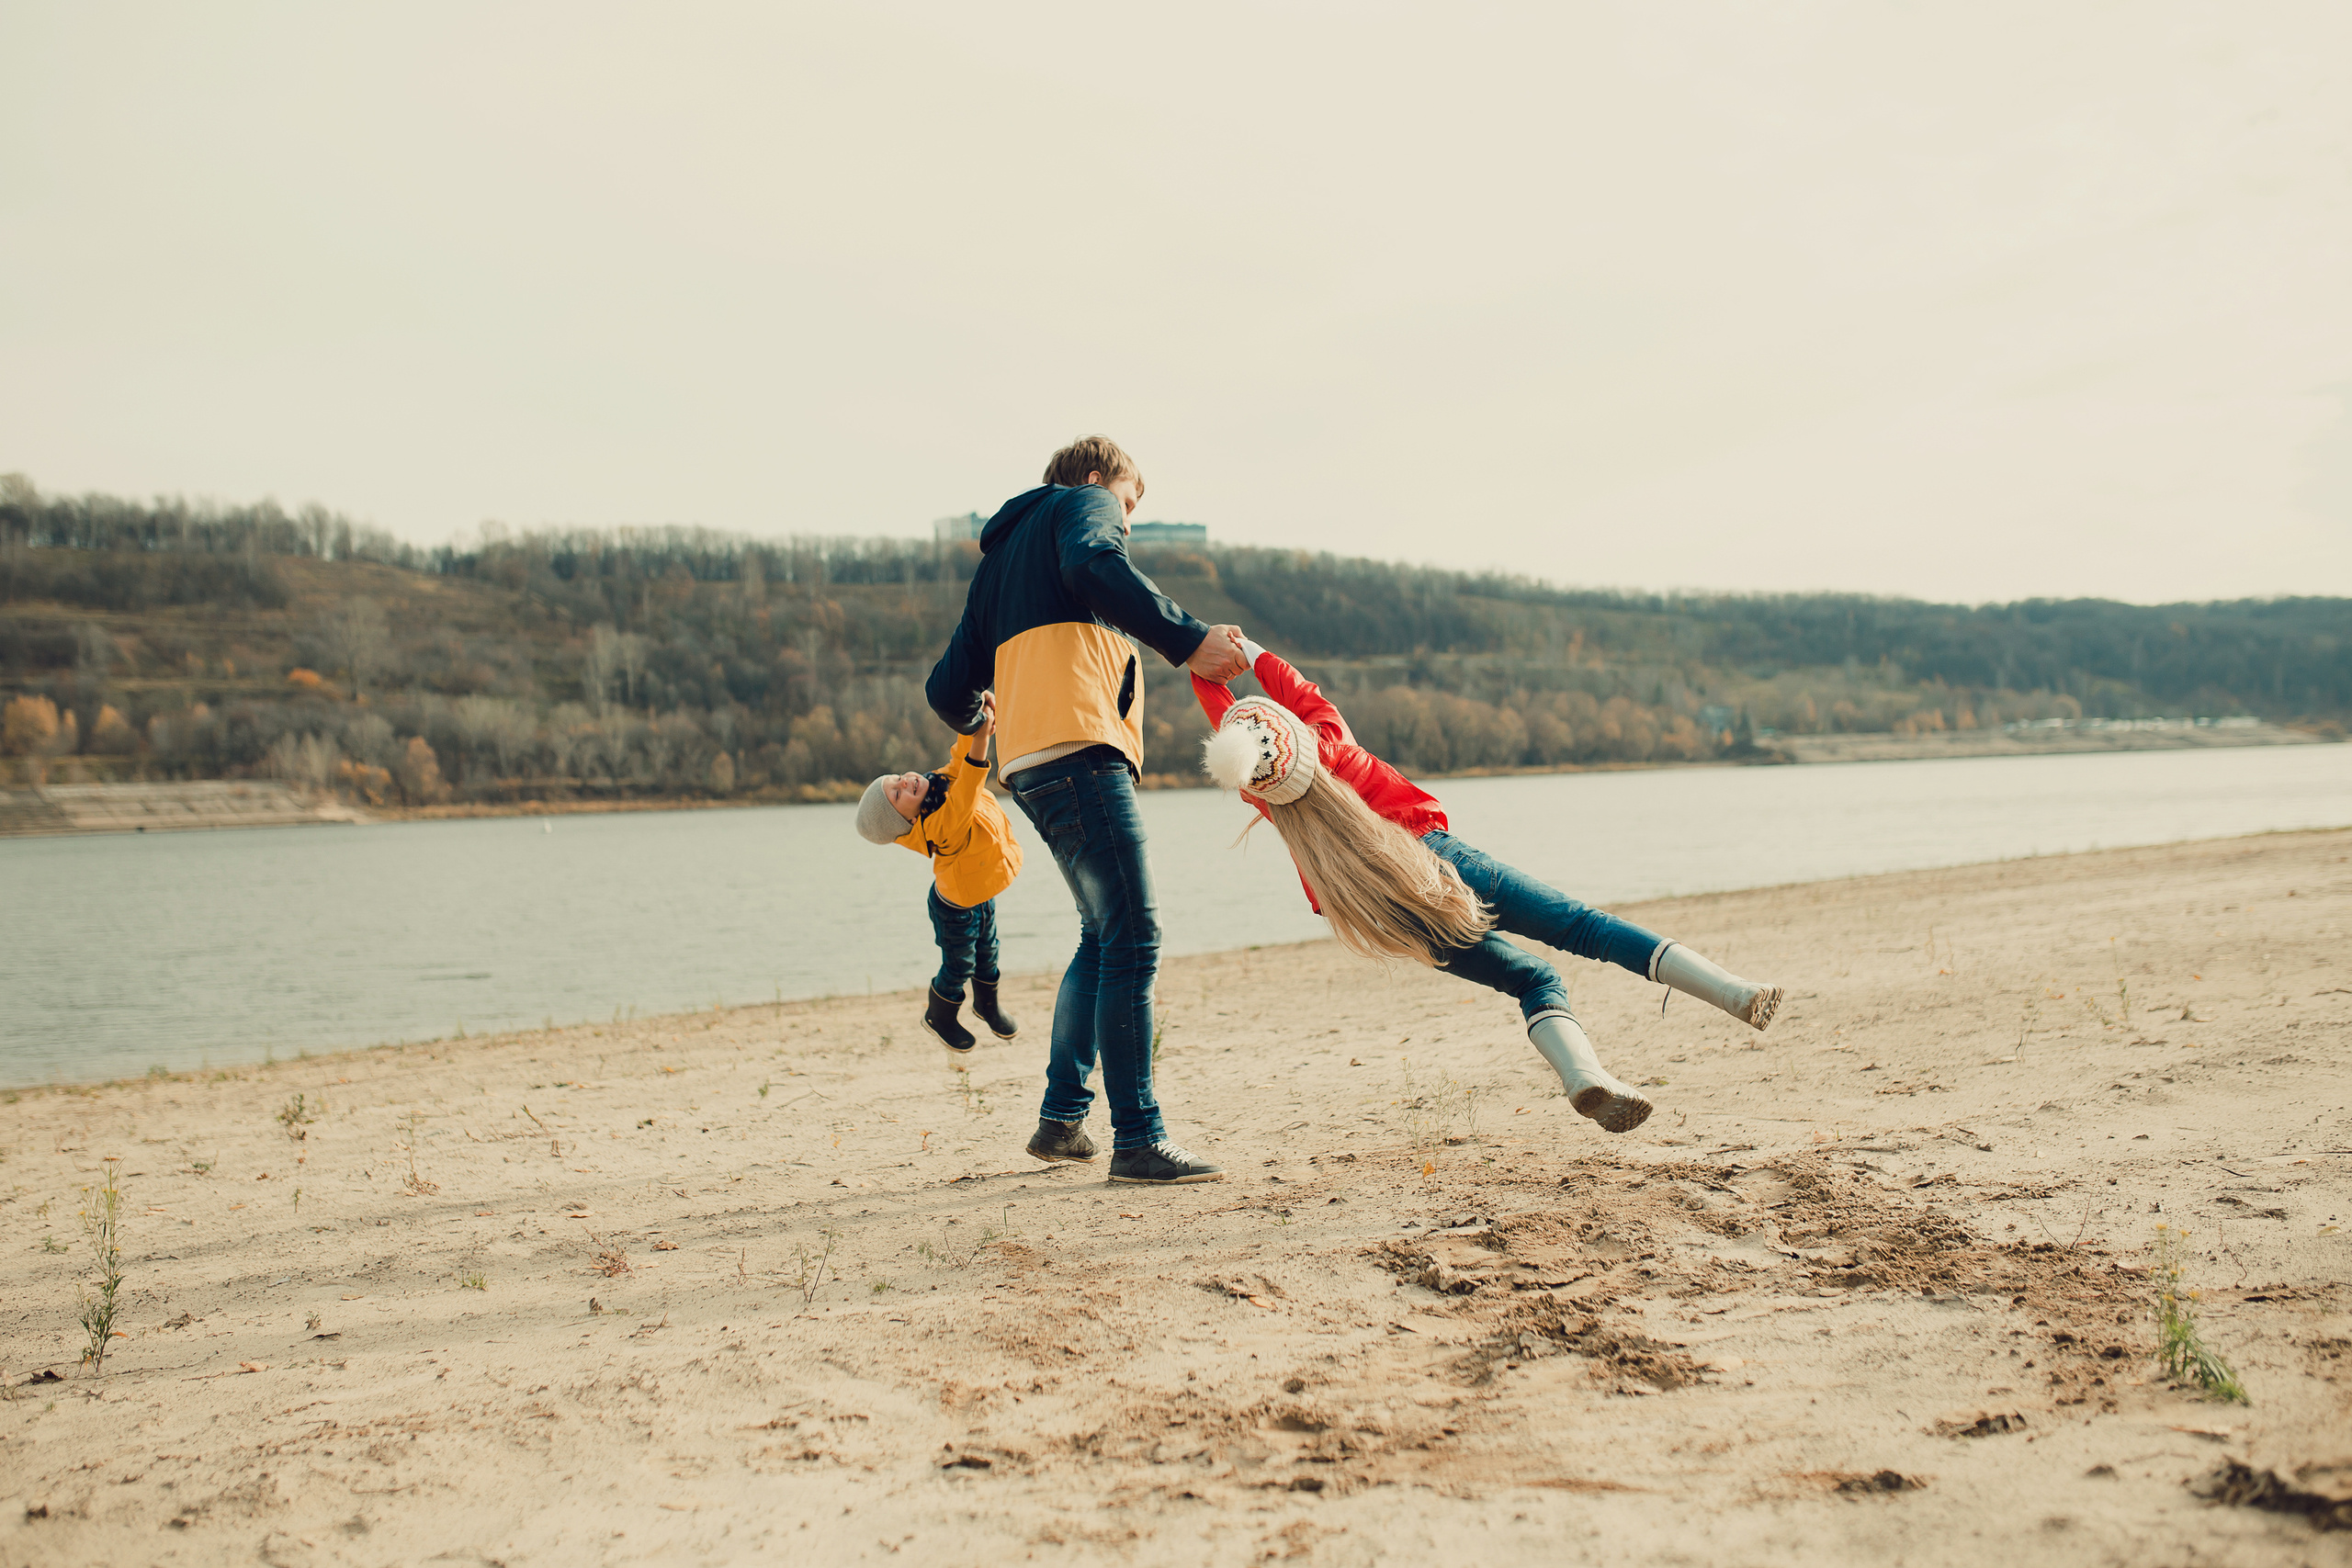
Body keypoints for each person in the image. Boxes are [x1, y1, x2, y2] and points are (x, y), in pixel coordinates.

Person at [1194, 640, 1783, 1134]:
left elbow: (1231, 737)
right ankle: (1733, 993)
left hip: (1382, 913)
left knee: (1533, 979)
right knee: (1586, 929)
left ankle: (1585, 1078)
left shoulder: (1266, 796)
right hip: (1436, 863)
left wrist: (1198, 666)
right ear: (1295, 733)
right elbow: (1300, 690)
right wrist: (1242, 650)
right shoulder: (1329, 738)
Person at [927, 435, 1251, 1185]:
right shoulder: (1084, 503)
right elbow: (1092, 563)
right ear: (1103, 479)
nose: (1126, 525)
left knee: (1102, 934)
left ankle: (1064, 1118)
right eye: (1129, 507)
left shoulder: (998, 562)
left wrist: (990, 714)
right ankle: (1138, 1138)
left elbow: (948, 691)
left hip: (1030, 764)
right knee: (1134, 934)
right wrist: (1187, 638)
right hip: (1079, 750)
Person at [854, 693, 1024, 1053]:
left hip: (977, 889)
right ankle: (940, 1014)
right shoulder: (938, 826)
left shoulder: (937, 785)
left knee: (988, 950)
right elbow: (968, 791)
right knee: (960, 963)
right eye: (899, 795)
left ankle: (987, 1005)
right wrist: (983, 741)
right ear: (908, 820)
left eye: (897, 779)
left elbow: (960, 759)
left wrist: (976, 719)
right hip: (955, 906)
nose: (906, 782)